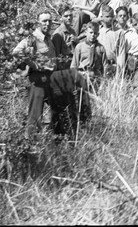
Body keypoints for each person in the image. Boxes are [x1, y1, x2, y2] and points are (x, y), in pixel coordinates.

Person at [12, 10, 90, 140]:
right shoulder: (33, 38)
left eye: (49, 21)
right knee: (35, 114)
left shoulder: (49, 38)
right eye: (44, 21)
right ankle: (31, 142)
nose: (47, 24)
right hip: (38, 80)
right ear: (38, 22)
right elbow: (17, 51)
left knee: (60, 108)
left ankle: (60, 139)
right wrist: (34, 65)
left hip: (51, 79)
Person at [70, 21, 108, 91]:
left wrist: (103, 82)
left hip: (96, 79)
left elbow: (105, 66)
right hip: (82, 77)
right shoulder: (80, 47)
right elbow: (74, 65)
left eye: (95, 33)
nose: (93, 35)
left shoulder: (101, 48)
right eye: (91, 32)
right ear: (86, 33)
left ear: (98, 34)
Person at [96, 5, 126, 77]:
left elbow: (121, 53)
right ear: (102, 17)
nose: (110, 19)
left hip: (112, 66)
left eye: (111, 16)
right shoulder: (97, 31)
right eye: (107, 16)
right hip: (99, 66)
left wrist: (120, 70)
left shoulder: (119, 32)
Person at [52, 3, 78, 69]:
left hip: (73, 65)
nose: (69, 18)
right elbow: (57, 56)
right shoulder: (58, 34)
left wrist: (77, 41)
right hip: (64, 68)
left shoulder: (72, 31)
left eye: (70, 15)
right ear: (61, 17)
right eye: (66, 16)